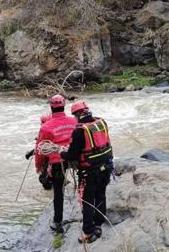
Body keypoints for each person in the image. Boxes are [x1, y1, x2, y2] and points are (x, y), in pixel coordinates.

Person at [61, 101, 114, 244]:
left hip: (90, 172)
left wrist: (62, 153)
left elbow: (72, 155)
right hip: (106, 167)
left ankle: (89, 232)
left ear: (77, 115)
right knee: (101, 194)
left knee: (87, 201)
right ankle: (98, 224)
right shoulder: (101, 122)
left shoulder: (79, 130)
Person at [35, 95, 78, 234]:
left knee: (58, 193)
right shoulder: (74, 121)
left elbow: (40, 149)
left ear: (51, 107)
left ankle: (57, 221)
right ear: (64, 105)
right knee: (85, 185)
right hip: (75, 158)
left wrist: (39, 167)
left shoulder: (46, 127)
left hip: (57, 162)